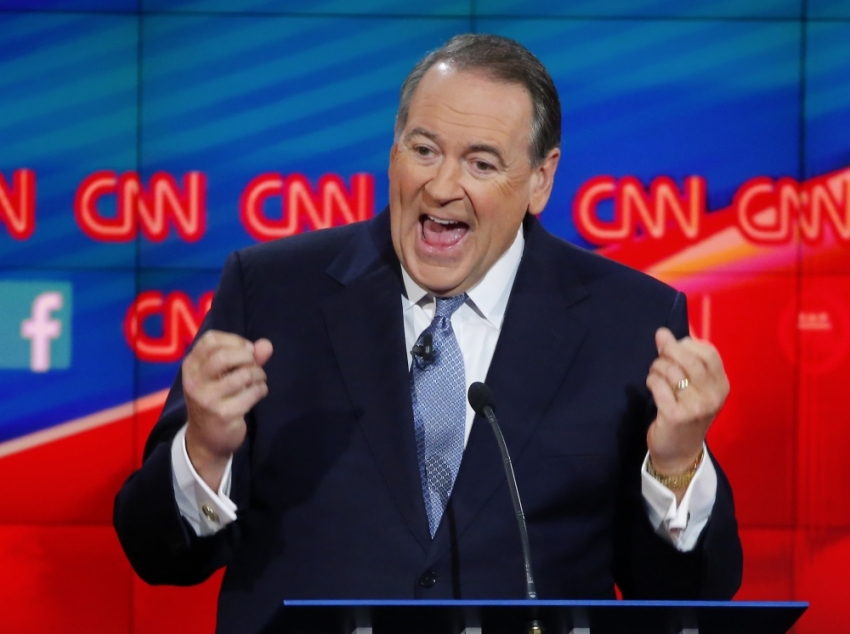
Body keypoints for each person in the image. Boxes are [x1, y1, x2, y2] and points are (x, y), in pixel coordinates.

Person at [114, 34, 742, 633]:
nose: (441, 186)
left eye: (481, 162)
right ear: (393, 149)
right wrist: (204, 451)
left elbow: (688, 598)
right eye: (424, 150)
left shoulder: (629, 321)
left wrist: (677, 465)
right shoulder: (272, 292)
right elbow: (157, 556)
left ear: (541, 180)